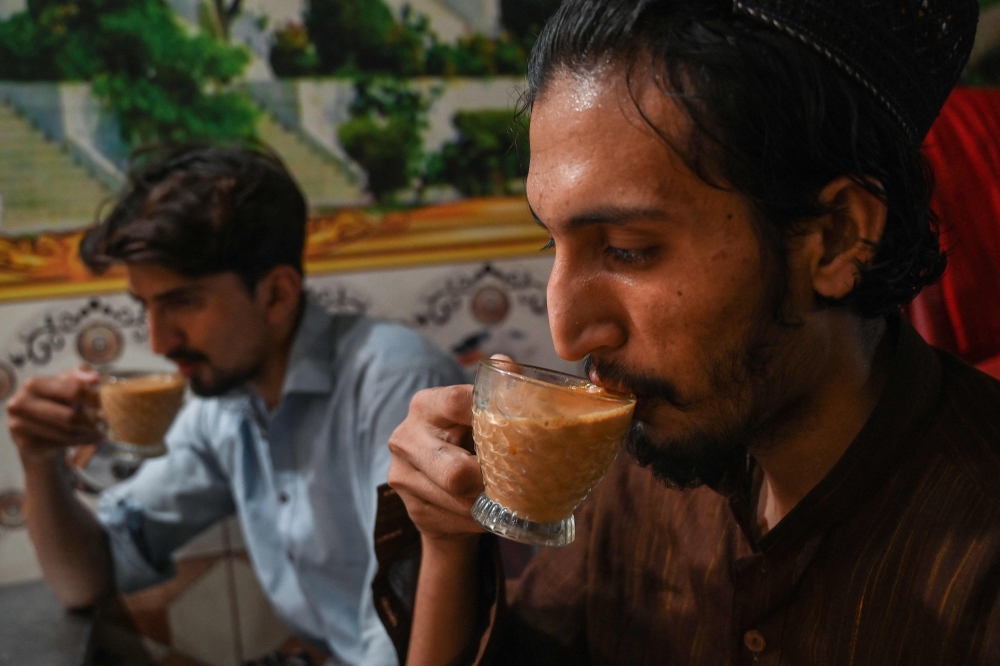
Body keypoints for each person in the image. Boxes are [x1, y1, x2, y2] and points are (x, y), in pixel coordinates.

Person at [378, 1, 1000, 665]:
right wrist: (447, 538)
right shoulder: (643, 465)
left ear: (836, 238)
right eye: (551, 243)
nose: (568, 336)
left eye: (627, 248)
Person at [6, 145, 467, 666]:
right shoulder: (224, 408)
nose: (158, 341)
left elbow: (400, 642)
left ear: (276, 295)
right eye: (146, 307)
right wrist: (38, 461)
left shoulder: (396, 386)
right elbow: (86, 580)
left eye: (182, 302)